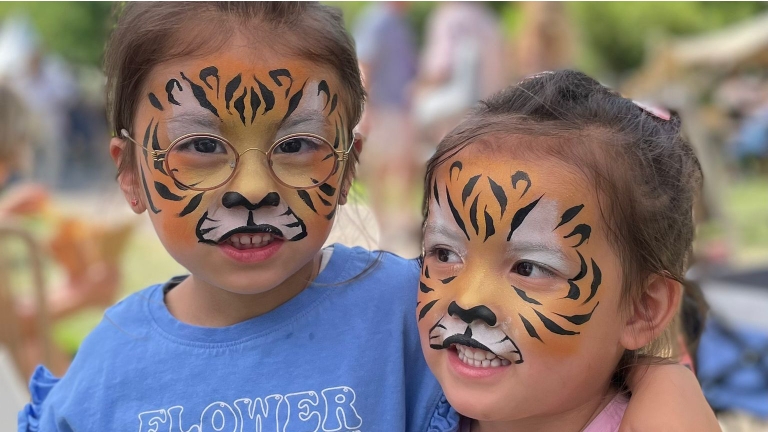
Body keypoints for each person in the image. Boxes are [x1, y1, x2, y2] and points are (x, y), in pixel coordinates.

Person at [19, 3, 719, 431]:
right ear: (130, 172)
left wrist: (663, 368)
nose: (256, 188)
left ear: (349, 166)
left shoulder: (405, 305)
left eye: (297, 145)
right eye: (201, 146)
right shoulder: (109, 364)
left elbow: (601, 330)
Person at [417, 70, 721, 431]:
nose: (465, 301)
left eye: (529, 268)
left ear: (642, 309)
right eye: (445, 254)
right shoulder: (408, 397)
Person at [354, 1, 420, 256]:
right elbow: (365, 65)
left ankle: (396, 226)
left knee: (402, 168)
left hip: (399, 109)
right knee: (381, 170)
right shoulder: (378, 19)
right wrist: (365, 108)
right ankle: (385, 230)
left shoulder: (397, 22)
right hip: (383, 109)